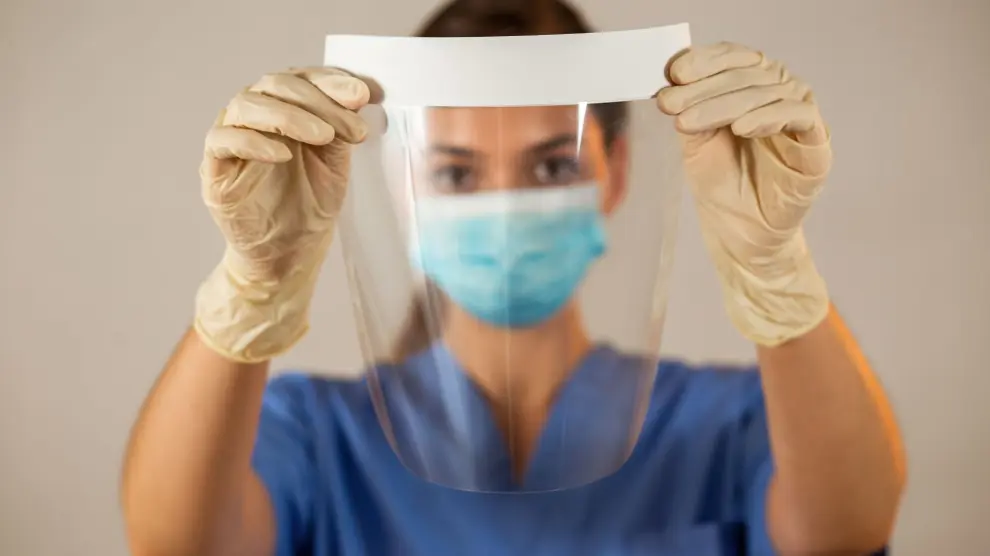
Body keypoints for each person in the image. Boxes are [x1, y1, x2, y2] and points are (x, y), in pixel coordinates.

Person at [120, 1, 906, 555]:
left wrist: (775, 269)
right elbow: (177, 545)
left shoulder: (732, 420)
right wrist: (253, 287)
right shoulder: (314, 434)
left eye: (552, 164)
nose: (505, 208)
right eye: (458, 174)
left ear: (617, 169)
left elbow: (845, 536)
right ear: (404, 190)